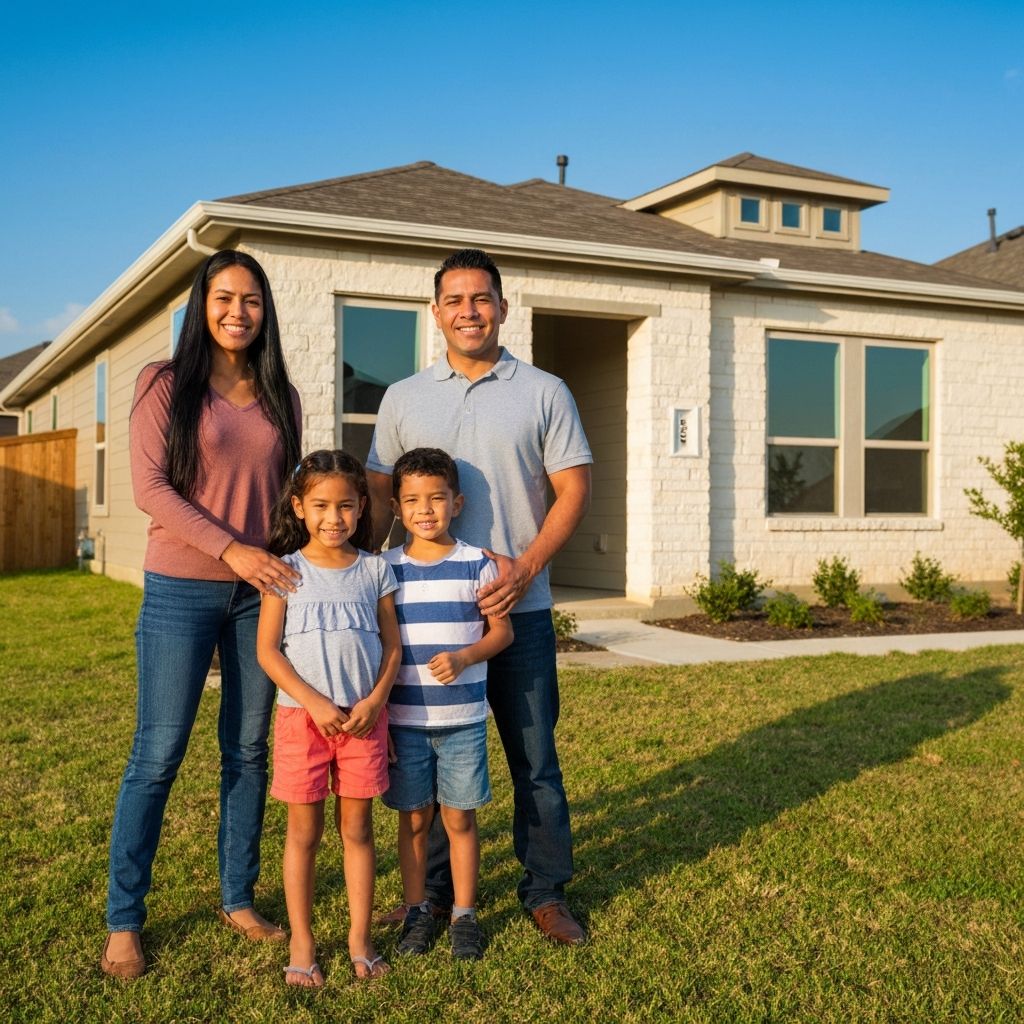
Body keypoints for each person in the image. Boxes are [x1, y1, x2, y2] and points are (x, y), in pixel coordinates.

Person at [366, 248, 593, 945]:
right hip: (424, 620)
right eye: (455, 300)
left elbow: (573, 489)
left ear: (502, 306)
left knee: (535, 760)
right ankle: (432, 898)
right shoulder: (403, 397)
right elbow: (378, 499)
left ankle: (546, 891)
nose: (469, 311)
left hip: (516, 612)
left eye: (481, 298)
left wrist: (525, 568)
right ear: (436, 312)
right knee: (429, 756)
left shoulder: (545, 391)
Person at [102, 250, 303, 980]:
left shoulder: (281, 394)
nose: (237, 312)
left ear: (264, 310)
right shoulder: (164, 383)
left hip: (260, 595)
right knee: (158, 754)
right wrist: (232, 550)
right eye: (223, 298)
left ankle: (237, 897)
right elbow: (150, 488)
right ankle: (124, 920)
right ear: (201, 304)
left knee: (247, 750)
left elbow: (286, 493)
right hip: (181, 587)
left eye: (251, 300)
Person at [256, 450, 401, 987]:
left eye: (345, 506)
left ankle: (360, 939)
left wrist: (375, 702)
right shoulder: (285, 571)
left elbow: (392, 647)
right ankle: (302, 940)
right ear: (299, 507)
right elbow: (268, 651)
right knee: (304, 834)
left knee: (357, 831)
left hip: (363, 722)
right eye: (320, 506)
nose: (333, 518)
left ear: (362, 507)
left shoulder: (375, 570)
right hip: (303, 722)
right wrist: (315, 702)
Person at [381, 448, 513, 960]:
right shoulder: (385, 569)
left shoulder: (477, 563)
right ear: (397, 507)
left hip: (462, 721)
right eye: (413, 500)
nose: (425, 509)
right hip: (405, 722)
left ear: (456, 503)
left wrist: (464, 657)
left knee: (459, 820)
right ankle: (417, 911)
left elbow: (502, 632)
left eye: (436, 498)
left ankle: (463, 914)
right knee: (414, 820)